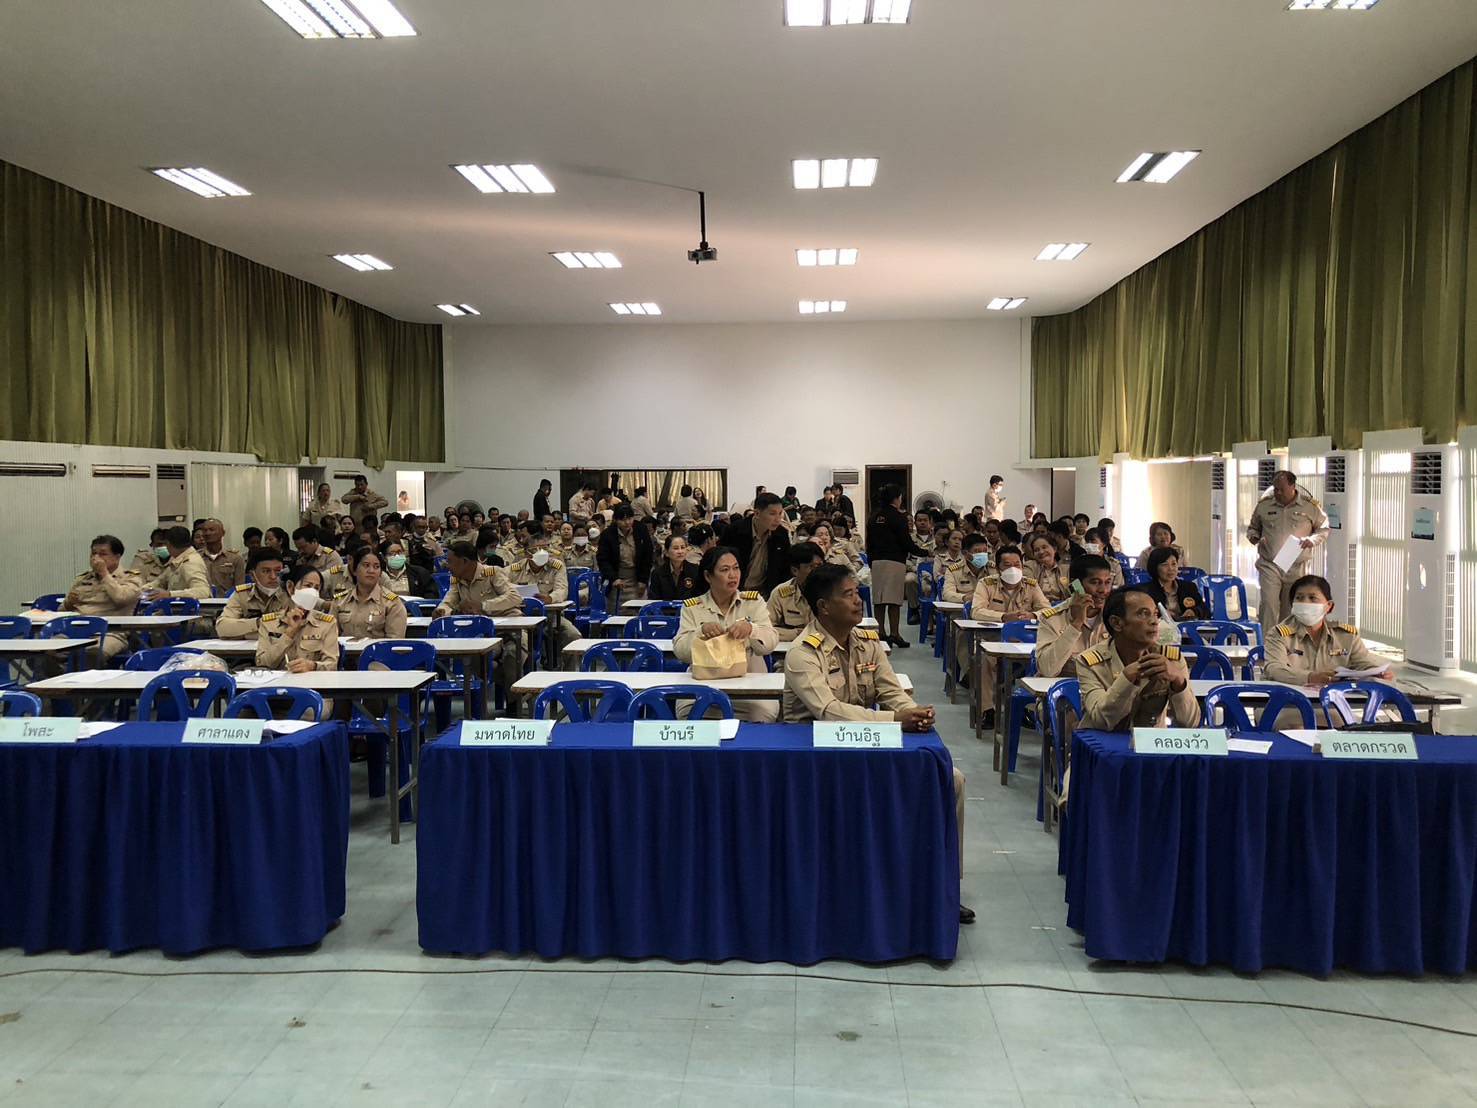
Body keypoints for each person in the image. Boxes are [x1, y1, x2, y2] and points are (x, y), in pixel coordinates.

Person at [782, 564, 973, 925]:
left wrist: (912, 712)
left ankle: (946, 886)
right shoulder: (803, 653)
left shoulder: (868, 643)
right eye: (848, 595)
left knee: (951, 780)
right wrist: (895, 720)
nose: (858, 601)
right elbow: (828, 712)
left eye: (857, 593)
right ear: (824, 606)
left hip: (865, 745)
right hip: (814, 757)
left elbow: (891, 691)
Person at [673, 547, 778, 721]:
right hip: (704, 685)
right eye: (725, 570)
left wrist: (751, 629)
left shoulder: (753, 602)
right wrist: (700, 632)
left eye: (736, 568)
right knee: (687, 713)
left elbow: (771, 642)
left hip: (749, 686)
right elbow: (680, 651)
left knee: (763, 713)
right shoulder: (692, 607)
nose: (733, 575)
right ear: (708, 576)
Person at [1078, 587, 1198, 731]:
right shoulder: (1090, 662)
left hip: (1151, 743)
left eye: (1155, 614)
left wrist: (1178, 681)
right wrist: (1126, 679)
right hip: (1103, 743)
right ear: (1116, 623)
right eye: (1143, 614)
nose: (1154, 621)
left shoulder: (1171, 659)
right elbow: (1101, 721)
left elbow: (1191, 723)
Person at [1263, 574, 1392, 688]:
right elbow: (1274, 669)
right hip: (1291, 700)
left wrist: (1378, 673)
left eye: (1312, 598)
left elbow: (1363, 664)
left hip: (1334, 700)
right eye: (1299, 598)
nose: (1305, 603)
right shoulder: (1278, 634)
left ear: (1329, 606)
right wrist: (1311, 677)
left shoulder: (1346, 636)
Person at [969, 545, 1050, 723]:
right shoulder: (986, 584)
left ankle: (1029, 710)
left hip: (1024, 642)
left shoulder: (1031, 585)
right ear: (998, 568)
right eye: (1007, 565)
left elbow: (1047, 610)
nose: (1013, 569)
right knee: (984, 660)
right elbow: (976, 611)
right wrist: (1004, 617)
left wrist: (1033, 615)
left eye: (1017, 564)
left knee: (1045, 659)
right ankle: (987, 710)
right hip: (993, 639)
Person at [1247, 470, 1330, 631]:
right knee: (1268, 603)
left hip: (1295, 565)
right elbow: (1253, 528)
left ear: (1293, 486)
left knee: (1291, 607)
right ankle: (1268, 641)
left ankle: (1286, 640)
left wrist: (1312, 540)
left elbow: (1323, 529)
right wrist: (1254, 537)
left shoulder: (1309, 506)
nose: (1278, 492)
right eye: (1275, 489)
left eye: (1282, 489)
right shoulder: (1264, 505)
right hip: (1270, 564)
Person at [867, 484, 932, 649]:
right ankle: (895, 634)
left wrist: (871, 561)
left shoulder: (874, 516)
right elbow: (906, 542)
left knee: (879, 600)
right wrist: (925, 552)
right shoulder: (898, 517)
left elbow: (869, 542)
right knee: (894, 601)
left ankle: (880, 632)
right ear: (897, 498)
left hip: (877, 561)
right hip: (895, 561)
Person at [1034, 554, 1117, 680]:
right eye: (1095, 582)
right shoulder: (1052, 619)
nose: (1103, 590)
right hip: (1065, 690)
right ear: (1075, 584)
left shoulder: (1115, 617)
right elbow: (1047, 670)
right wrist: (1076, 624)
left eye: (1107, 583)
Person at [62, 535, 143, 662]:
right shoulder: (83, 579)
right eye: (93, 553)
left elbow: (121, 598)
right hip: (76, 630)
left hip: (109, 633)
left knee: (92, 654)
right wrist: (68, 603)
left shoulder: (131, 578)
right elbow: (61, 612)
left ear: (117, 557)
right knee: (47, 651)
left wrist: (104, 574)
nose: (96, 558)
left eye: (103, 554)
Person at [507, 532, 580, 652]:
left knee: (573, 635)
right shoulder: (516, 569)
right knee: (515, 647)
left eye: (545, 548)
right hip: (522, 616)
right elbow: (499, 583)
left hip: (550, 616)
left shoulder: (556, 566)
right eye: (536, 549)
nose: (542, 552)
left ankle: (569, 665)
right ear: (527, 553)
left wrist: (550, 598)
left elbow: (562, 589)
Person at [258, 566, 339, 673]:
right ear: (290, 587)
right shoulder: (269, 623)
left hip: (312, 681)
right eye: (308, 586)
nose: (312, 592)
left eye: (316, 588)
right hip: (278, 681)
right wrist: (289, 633)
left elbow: (332, 665)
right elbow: (262, 663)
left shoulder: (327, 623)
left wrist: (313, 666)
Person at [721, 492, 791, 597]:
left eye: (780, 513)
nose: (778, 519)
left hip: (765, 594)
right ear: (757, 513)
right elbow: (720, 563)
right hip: (735, 591)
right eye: (772, 514)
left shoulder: (781, 534)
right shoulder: (734, 531)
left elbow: (785, 568)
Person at [332, 547, 408, 638]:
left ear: (380, 573)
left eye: (376, 567)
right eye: (366, 565)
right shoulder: (340, 600)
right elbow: (330, 636)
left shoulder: (392, 603)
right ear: (355, 570)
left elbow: (395, 641)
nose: (371, 571)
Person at [217, 548, 293, 638]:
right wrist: (258, 623)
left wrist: (243, 634)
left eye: (277, 571)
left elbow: (291, 631)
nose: (273, 577)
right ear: (252, 575)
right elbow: (222, 628)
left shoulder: (290, 594)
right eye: (266, 571)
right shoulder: (242, 594)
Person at [597, 504, 654, 604]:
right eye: (623, 520)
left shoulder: (641, 529)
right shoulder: (607, 534)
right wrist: (613, 578)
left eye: (630, 518)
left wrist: (643, 580)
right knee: (616, 610)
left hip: (637, 580)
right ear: (615, 520)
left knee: (639, 609)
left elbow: (647, 556)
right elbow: (603, 559)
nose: (627, 522)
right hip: (617, 581)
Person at [768, 541, 825, 641]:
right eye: (811, 567)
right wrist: (798, 634)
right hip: (790, 647)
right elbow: (766, 629)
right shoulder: (780, 594)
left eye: (820, 566)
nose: (818, 572)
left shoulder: (832, 591)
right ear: (795, 570)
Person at [142, 526, 210, 600]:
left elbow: (202, 591)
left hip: (188, 606)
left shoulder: (191, 563)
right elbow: (158, 582)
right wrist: (140, 591)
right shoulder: (177, 561)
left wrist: (170, 594)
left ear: (168, 544)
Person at [1143, 547, 1207, 622]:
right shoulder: (1146, 591)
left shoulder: (1188, 587)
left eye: (1174, 564)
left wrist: (1194, 611)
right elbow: (1144, 614)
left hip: (1186, 626)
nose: (1171, 568)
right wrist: (1160, 614)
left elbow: (1204, 609)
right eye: (1165, 565)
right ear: (1155, 567)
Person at [293, 525, 348, 596]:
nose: (300, 551)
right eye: (298, 548)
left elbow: (334, 583)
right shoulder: (301, 558)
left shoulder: (330, 556)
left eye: (303, 547)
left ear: (314, 541)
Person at [197, 518, 246, 595]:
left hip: (227, 601)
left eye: (211, 530)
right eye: (205, 530)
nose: (207, 533)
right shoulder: (196, 558)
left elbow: (240, 589)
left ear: (222, 533)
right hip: (203, 601)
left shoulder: (235, 559)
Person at [648, 534, 704, 600]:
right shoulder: (657, 573)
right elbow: (654, 599)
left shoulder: (695, 570)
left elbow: (700, 596)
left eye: (682, 547)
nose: (680, 552)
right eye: (676, 548)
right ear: (666, 552)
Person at [1026, 534, 1070, 604]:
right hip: (1038, 607)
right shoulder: (1029, 566)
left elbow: (1078, 591)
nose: (1041, 552)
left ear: (1054, 549)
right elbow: (1029, 591)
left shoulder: (1067, 569)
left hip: (1064, 607)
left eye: (1044, 547)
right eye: (1036, 550)